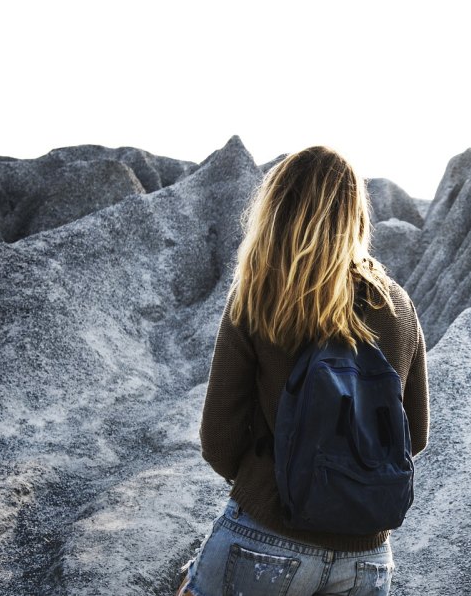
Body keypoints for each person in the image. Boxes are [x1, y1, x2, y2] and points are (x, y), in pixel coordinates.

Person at [176, 146, 429, 596]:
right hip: (366, 561)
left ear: (277, 207)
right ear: (355, 214)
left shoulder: (258, 296)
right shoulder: (398, 307)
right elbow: (417, 435)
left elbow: (219, 439)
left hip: (265, 537)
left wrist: (276, 480)